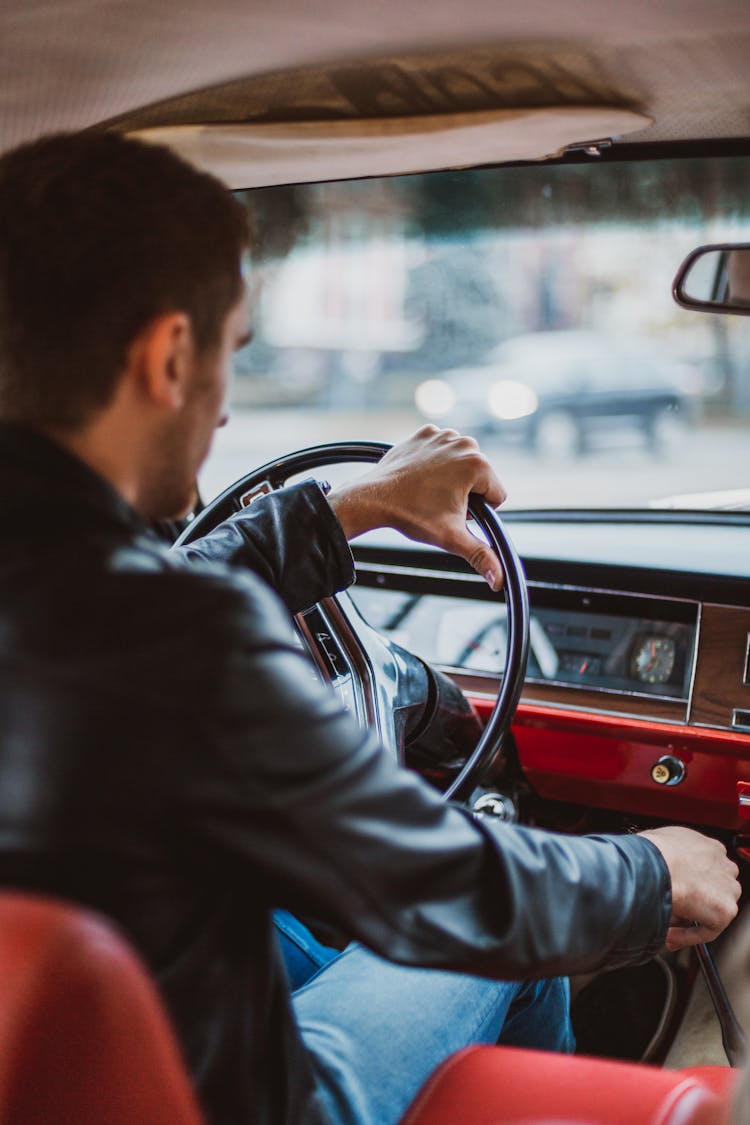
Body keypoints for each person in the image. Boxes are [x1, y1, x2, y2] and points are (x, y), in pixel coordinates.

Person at [0, 132, 740, 1125]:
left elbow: (111, 609)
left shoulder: (81, 604)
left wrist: (350, 507)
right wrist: (655, 871)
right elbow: (443, 888)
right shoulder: (180, 641)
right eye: (232, 354)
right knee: (504, 941)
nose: (223, 415)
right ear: (171, 356)